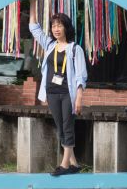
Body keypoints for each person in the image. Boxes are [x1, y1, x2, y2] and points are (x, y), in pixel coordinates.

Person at [28, 11, 87, 176]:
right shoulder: (49, 45)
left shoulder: (75, 49)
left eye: (59, 25)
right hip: (52, 92)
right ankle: (74, 163)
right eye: (53, 26)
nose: (56, 29)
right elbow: (34, 28)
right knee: (61, 127)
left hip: (68, 93)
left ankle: (65, 164)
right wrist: (33, 4)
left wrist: (79, 98)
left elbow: (81, 76)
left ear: (66, 27)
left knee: (68, 126)